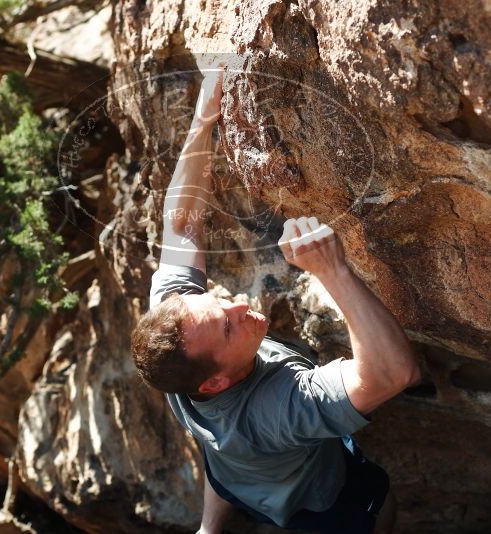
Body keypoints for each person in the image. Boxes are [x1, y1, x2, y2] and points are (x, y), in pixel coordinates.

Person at [130, 64, 421, 534]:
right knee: (378, 502)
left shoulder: (178, 337)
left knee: (223, 463)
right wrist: (334, 271)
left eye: (217, 301)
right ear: (218, 383)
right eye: (228, 327)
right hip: (323, 510)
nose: (239, 306)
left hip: (236, 475)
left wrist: (204, 119)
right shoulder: (273, 410)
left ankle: (210, 528)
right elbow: (394, 374)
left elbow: (182, 224)